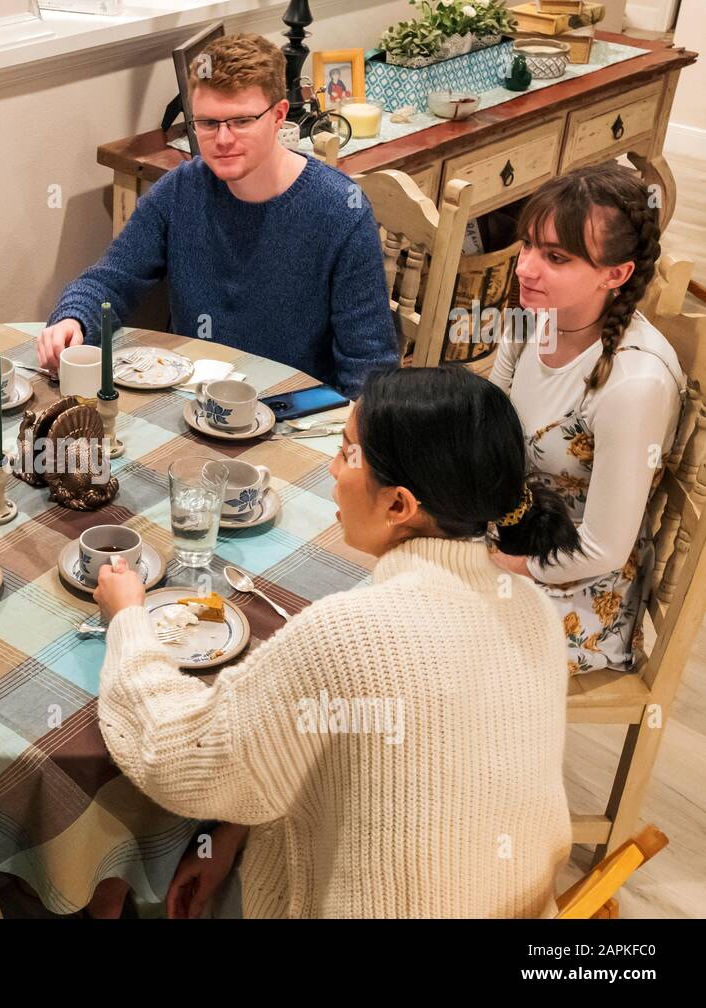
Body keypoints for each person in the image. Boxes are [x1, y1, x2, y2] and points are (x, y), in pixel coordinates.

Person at [93, 366, 579, 918]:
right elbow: (387, 769)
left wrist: (129, 621)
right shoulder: (535, 609)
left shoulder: (349, 636)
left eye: (348, 453)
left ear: (399, 505)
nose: (331, 467)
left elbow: (177, 759)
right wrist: (232, 834)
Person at [37, 33, 397, 398]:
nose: (222, 139)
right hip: (195, 402)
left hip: (297, 413)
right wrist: (73, 317)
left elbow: (370, 369)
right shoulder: (180, 191)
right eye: (207, 123)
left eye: (241, 121)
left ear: (278, 116)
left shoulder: (340, 209)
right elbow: (110, 281)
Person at [488, 164, 685, 674]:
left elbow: (601, 549)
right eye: (527, 245)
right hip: (513, 528)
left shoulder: (635, 384)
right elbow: (486, 426)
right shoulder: (534, 320)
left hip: (577, 586)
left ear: (615, 274)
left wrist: (498, 565)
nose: (526, 268)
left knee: (424, 642)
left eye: (555, 257)